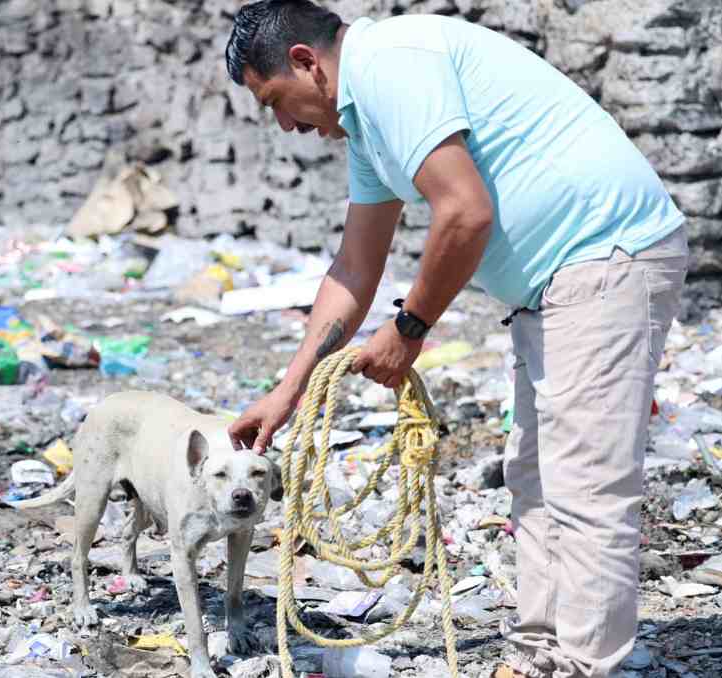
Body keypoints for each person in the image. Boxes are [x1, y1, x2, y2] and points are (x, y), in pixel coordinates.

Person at [222, 2, 689, 677]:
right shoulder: (366, 120)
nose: (288, 125)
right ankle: (538, 657)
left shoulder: (389, 66)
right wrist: (288, 391)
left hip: (605, 256)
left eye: (276, 103)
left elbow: (465, 212)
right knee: (535, 480)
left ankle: (584, 665)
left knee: (587, 488)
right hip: (554, 286)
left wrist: (409, 327)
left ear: (305, 62)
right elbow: (355, 267)